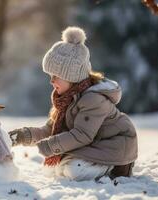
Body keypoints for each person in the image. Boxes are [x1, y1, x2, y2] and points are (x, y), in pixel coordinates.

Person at [8, 26, 138, 181]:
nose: (52, 81)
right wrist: (23, 136)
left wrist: (50, 146)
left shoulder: (93, 99)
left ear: (72, 76)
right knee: (57, 169)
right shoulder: (66, 99)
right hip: (95, 145)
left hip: (115, 146)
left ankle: (112, 167)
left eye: (56, 76)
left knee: (72, 170)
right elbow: (50, 130)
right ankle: (90, 165)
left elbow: (82, 135)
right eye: (50, 75)